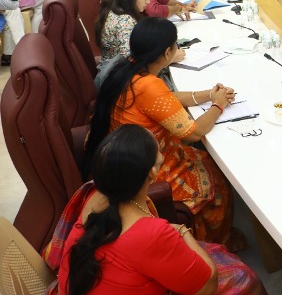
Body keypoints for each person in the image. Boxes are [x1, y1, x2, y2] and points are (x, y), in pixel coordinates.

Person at [47, 124, 264, 294]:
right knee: (243, 277)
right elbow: (207, 285)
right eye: (157, 147)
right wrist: (182, 231)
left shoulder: (95, 193)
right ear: (152, 172)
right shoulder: (150, 233)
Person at [84, 18, 240, 247]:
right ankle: (213, 244)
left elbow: (165, 99)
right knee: (216, 182)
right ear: (168, 53)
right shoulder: (149, 85)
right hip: (147, 168)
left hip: (127, 156)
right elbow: (194, 133)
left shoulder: (128, 69)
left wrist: (208, 94)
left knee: (207, 159)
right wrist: (218, 105)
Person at [96, 0, 153, 65]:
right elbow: (131, 58)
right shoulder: (125, 20)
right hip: (117, 71)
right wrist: (166, 58)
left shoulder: (113, 10)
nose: (148, 2)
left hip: (109, 66)